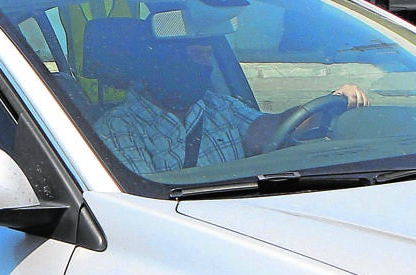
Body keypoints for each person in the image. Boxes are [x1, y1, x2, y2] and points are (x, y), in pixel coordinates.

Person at [94, 35, 368, 175]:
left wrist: (332, 103)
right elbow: (145, 208)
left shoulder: (216, 106)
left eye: (209, 56)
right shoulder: (119, 127)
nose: (207, 66)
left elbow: (269, 131)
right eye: (198, 55)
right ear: (166, 61)